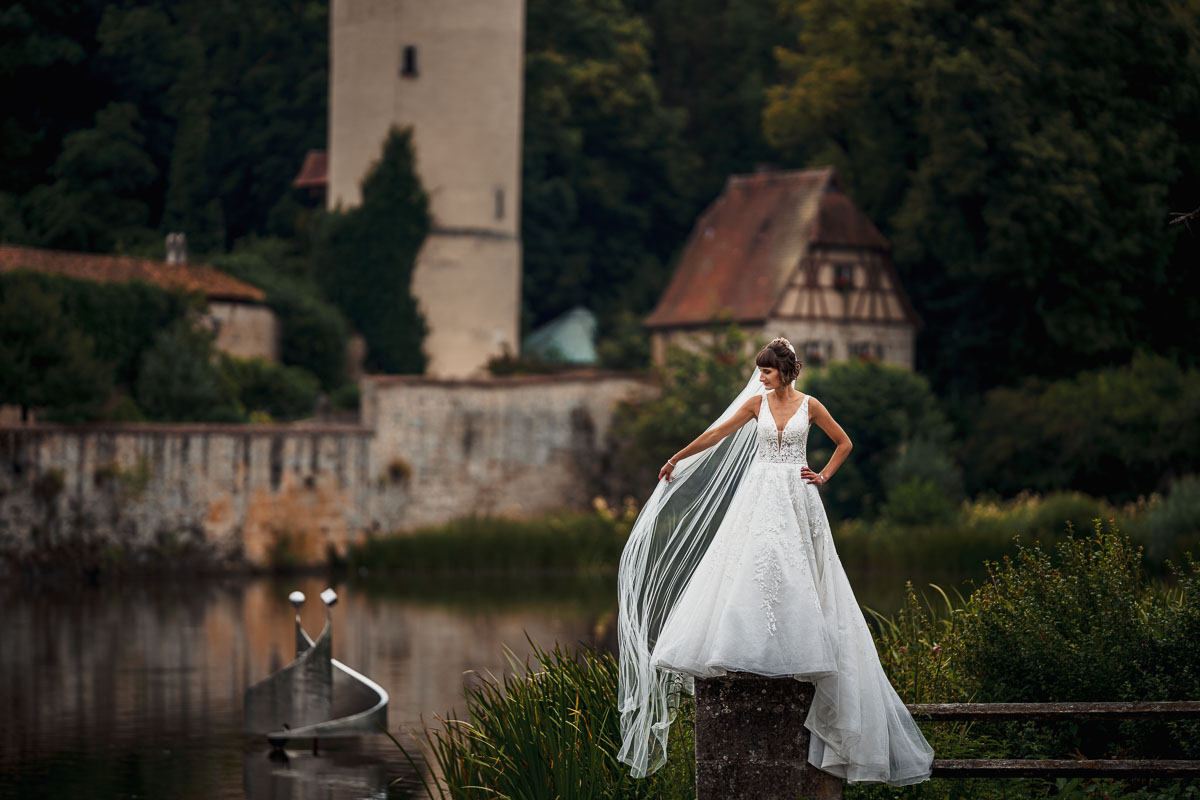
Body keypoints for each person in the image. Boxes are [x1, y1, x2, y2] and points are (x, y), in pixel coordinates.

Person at [617, 337, 933, 785]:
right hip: (760, 493)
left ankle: (801, 646)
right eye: (759, 370)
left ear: (784, 371)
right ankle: (752, 645)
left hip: (798, 495)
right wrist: (677, 458)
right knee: (755, 564)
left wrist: (822, 475)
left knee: (801, 571)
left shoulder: (811, 404)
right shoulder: (755, 404)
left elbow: (844, 443)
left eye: (766, 370)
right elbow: (715, 434)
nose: (760, 376)